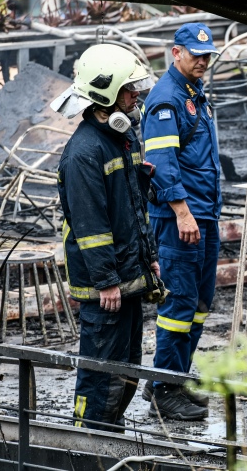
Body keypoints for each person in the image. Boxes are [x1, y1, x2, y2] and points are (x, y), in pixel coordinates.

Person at [52, 43, 159, 431]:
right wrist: (107, 282)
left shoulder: (120, 139)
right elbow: (91, 227)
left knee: (125, 367)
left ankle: (109, 431)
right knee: (100, 374)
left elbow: (132, 210)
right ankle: (87, 442)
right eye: (129, 90)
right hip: (106, 287)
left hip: (126, 277)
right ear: (106, 95)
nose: (136, 97)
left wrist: (148, 257)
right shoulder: (83, 152)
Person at [140, 22, 222, 421]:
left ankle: (171, 376)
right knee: (179, 304)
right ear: (175, 53)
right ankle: (163, 389)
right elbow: (161, 163)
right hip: (180, 220)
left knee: (200, 304)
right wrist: (182, 211)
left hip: (204, 215)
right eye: (195, 55)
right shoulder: (166, 98)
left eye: (207, 55)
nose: (202, 61)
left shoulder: (194, 93)